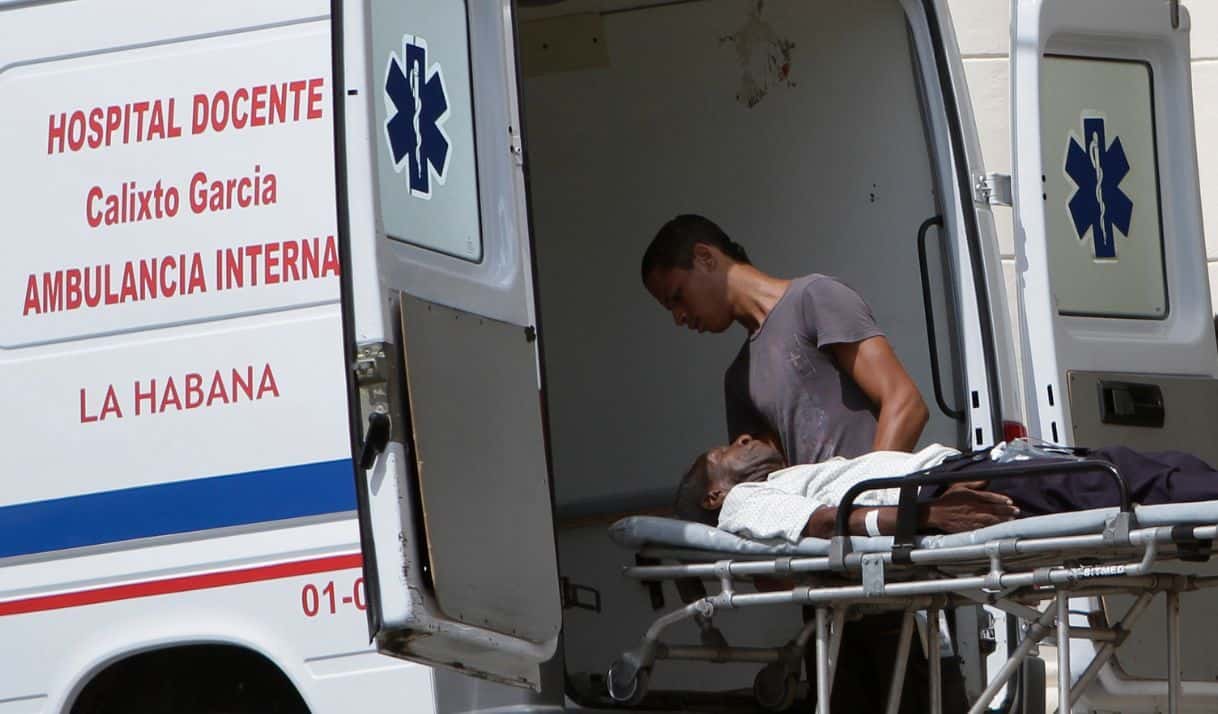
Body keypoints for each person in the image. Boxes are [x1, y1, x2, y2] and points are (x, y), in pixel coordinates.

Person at [641, 214, 929, 463]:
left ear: (705, 257)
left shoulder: (814, 298)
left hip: (873, 519)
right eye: (670, 309)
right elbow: (759, 479)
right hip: (819, 526)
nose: (678, 317)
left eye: (677, 296)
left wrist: (867, 504)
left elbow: (905, 404)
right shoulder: (738, 379)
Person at [676, 434, 1218, 542]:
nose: (741, 439)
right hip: (949, 489)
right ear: (713, 496)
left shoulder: (779, 481)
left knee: (1150, 471)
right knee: (1140, 476)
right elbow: (823, 521)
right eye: (721, 453)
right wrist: (927, 516)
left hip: (965, 471)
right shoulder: (742, 505)